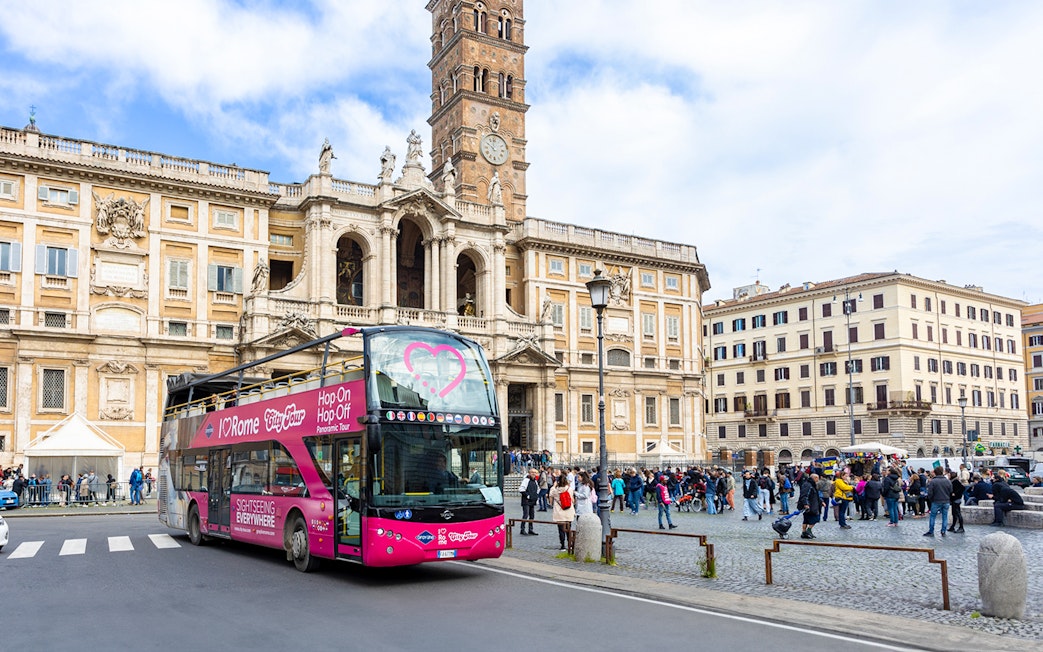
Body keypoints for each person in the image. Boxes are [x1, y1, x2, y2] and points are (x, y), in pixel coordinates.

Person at [923, 467, 953, 537]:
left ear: (935, 473)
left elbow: (930, 492)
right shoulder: (948, 481)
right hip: (946, 501)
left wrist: (931, 499)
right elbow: (951, 491)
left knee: (933, 516)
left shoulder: (933, 481)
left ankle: (931, 531)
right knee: (945, 517)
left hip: (936, 501)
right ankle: (943, 531)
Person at [548, 474, 575, 550]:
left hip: (559, 512)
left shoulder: (554, 490)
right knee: (568, 529)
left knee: (561, 530)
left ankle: (562, 545)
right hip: (568, 511)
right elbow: (572, 500)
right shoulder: (569, 489)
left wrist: (554, 485)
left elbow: (550, 500)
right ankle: (570, 544)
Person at [797, 472, 821, 539]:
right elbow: (805, 495)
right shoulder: (809, 485)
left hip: (811, 504)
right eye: (817, 478)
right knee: (815, 518)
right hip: (811, 505)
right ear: (815, 478)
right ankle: (808, 531)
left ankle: (804, 532)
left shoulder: (809, 484)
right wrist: (806, 504)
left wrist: (821, 502)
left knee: (806, 519)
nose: (818, 480)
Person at [518, 468, 540, 535]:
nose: (533, 474)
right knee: (526, 515)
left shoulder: (535, 481)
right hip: (526, 501)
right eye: (532, 472)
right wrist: (527, 496)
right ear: (529, 473)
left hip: (532, 501)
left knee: (532, 516)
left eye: (535, 472)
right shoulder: (526, 480)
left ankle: (530, 529)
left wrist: (535, 496)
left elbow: (538, 489)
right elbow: (521, 489)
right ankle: (522, 529)